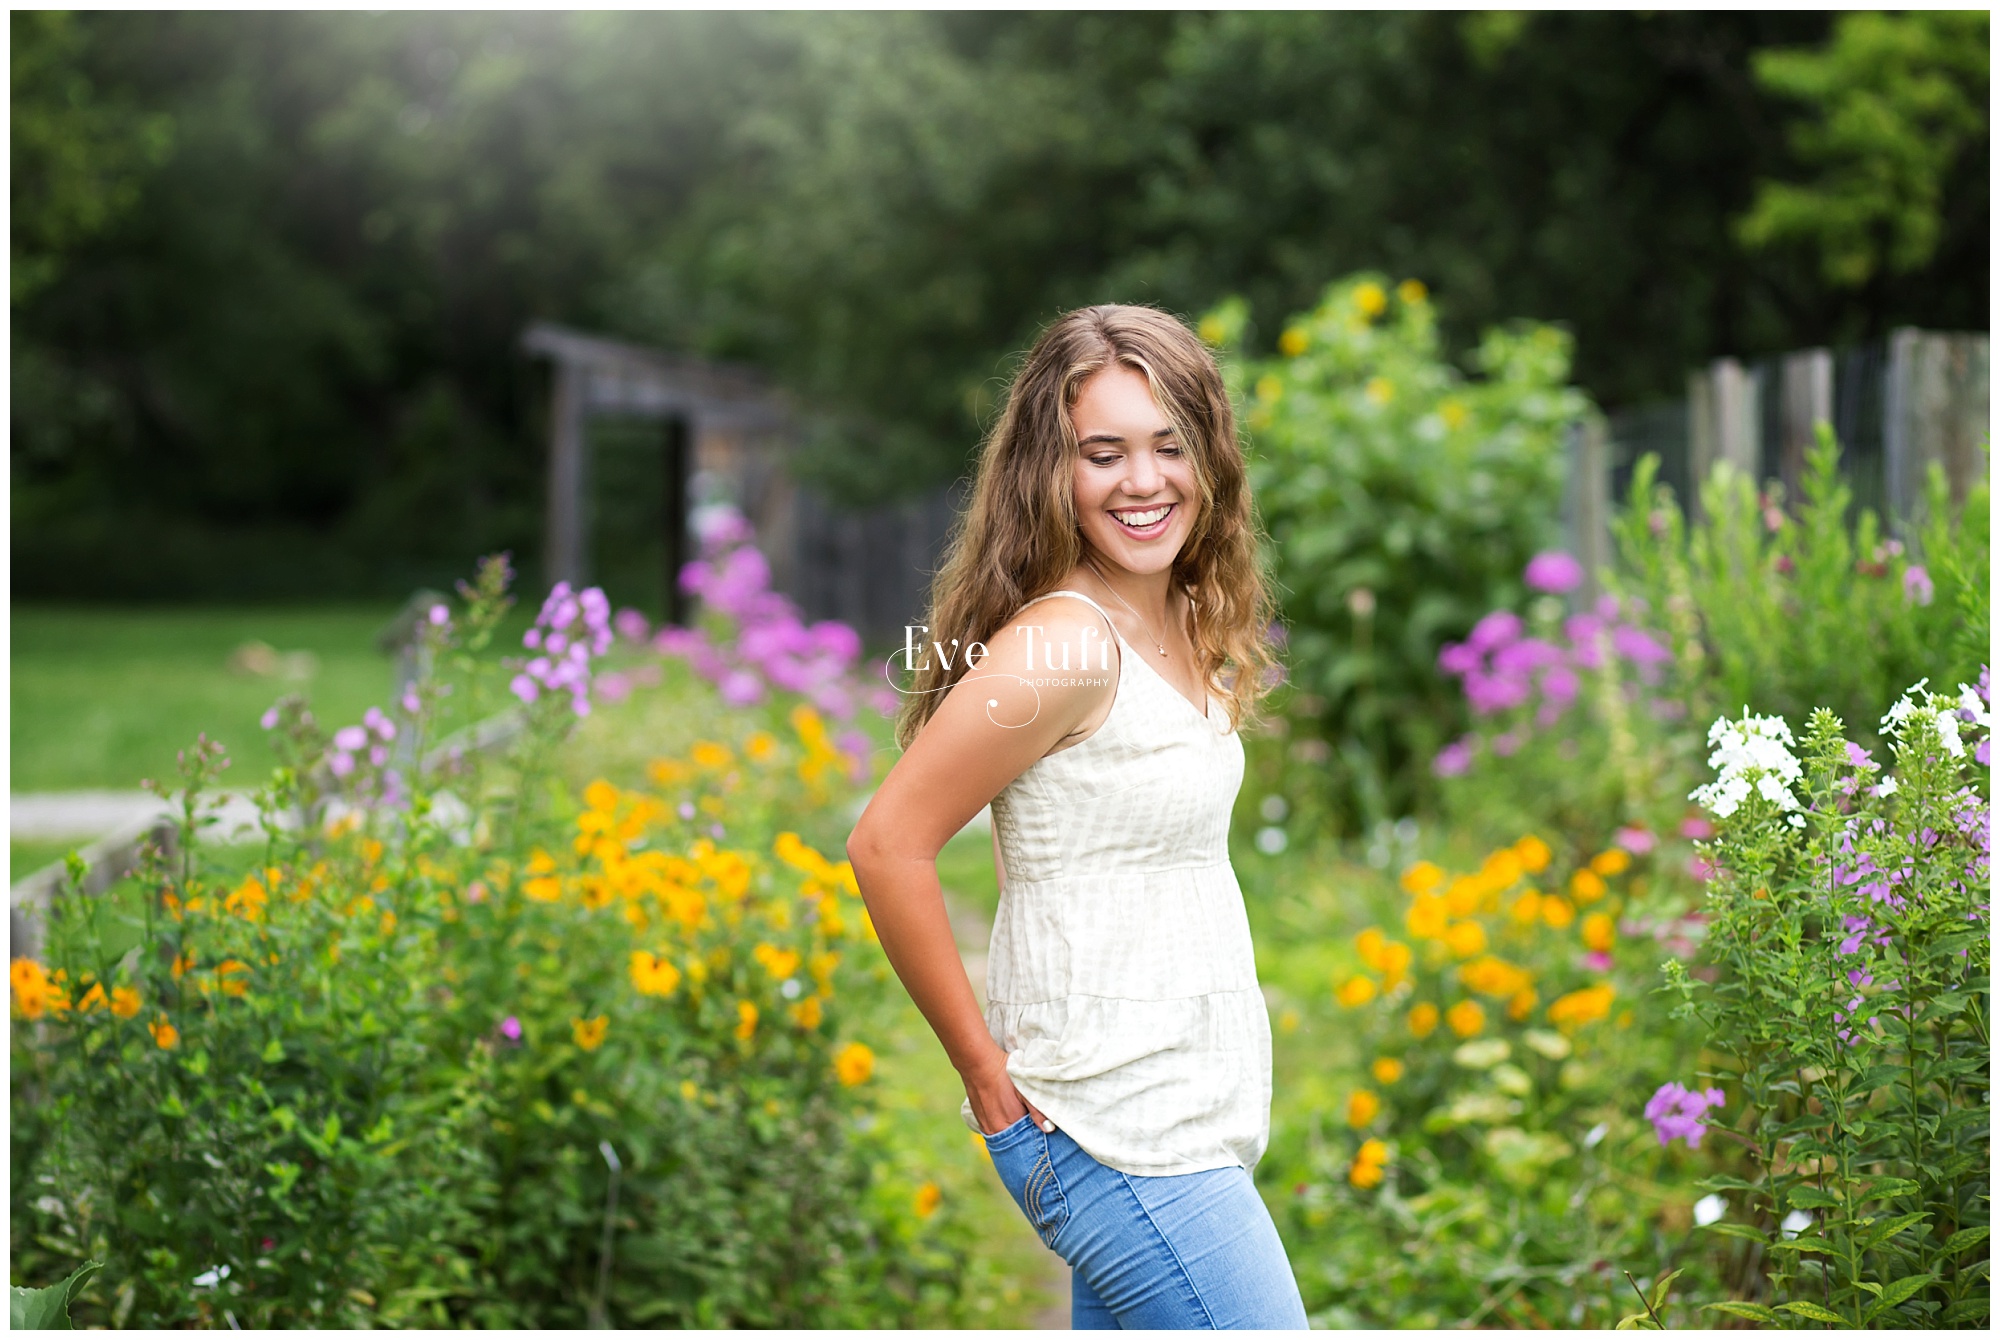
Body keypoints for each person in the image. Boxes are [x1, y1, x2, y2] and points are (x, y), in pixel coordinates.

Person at [846, 305, 1307, 1329]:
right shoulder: (1063, 643)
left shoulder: (1180, 615)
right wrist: (984, 1073)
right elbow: (886, 844)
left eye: (1167, 445)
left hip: (1181, 1115)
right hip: (1114, 1130)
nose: (1142, 482)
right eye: (1103, 453)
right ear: (1051, 471)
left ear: (1208, 456)